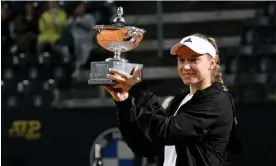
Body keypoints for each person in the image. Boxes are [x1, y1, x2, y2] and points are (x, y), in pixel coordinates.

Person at [104, 33, 243, 166]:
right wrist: (124, 104)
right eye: (181, 60)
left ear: (212, 63)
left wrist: (139, 90)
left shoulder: (216, 101)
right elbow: (146, 147)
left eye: (194, 59)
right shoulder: (182, 99)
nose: (186, 66)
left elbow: (164, 132)